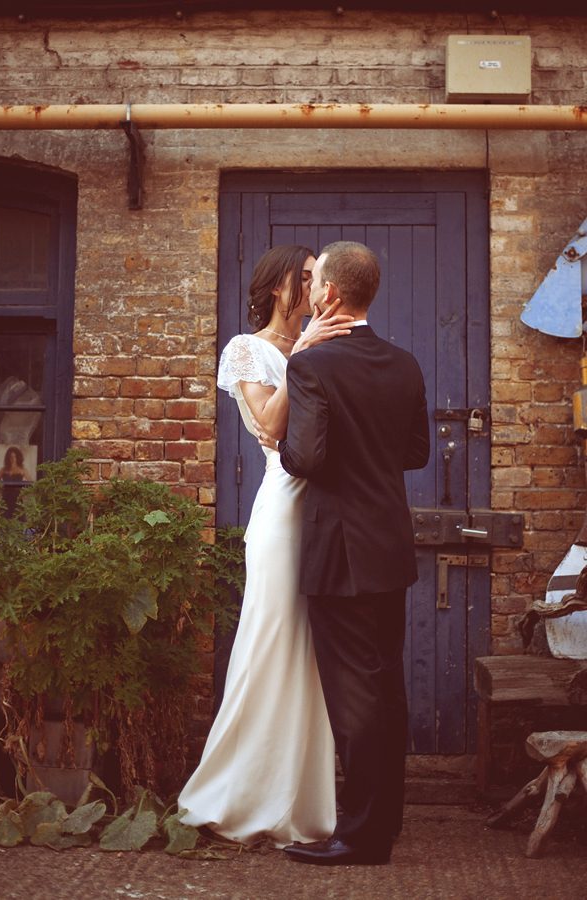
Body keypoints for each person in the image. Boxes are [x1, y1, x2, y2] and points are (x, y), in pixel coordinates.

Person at [177, 245, 354, 847]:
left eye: (320, 276)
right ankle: (239, 793)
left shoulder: (330, 343)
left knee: (316, 652)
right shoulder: (247, 350)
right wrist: (304, 351)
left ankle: (305, 803)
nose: (318, 286)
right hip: (283, 506)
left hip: (331, 507)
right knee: (271, 635)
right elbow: (270, 427)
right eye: (307, 277)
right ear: (281, 286)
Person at [278, 241, 430, 866]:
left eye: (317, 285)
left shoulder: (313, 367)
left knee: (355, 699)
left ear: (331, 295)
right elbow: (416, 452)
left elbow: (303, 458)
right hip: (389, 546)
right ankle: (382, 824)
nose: (311, 293)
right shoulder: (405, 363)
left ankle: (363, 838)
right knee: (385, 689)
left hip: (341, 551)